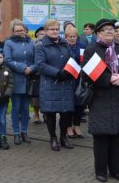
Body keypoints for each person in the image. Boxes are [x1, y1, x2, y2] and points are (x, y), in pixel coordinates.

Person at [83, 19, 119, 182]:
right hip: (100, 99)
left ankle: (116, 170)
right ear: (98, 33)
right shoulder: (92, 50)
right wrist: (109, 79)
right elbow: (87, 74)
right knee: (101, 137)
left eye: (111, 29)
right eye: (105, 29)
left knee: (117, 136)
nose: (109, 32)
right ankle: (101, 171)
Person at [36, 19, 75, 151]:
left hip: (66, 83)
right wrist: (57, 73)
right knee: (51, 113)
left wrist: (70, 71)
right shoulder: (41, 46)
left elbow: (72, 59)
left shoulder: (65, 44)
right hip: (50, 83)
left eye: (57, 29)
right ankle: (53, 138)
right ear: (46, 31)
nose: (55, 31)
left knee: (66, 112)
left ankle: (63, 137)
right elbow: (40, 65)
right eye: (52, 29)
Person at [4, 19, 37, 145]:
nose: (20, 32)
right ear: (13, 31)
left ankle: (24, 132)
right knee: (16, 108)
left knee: (25, 109)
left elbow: (36, 61)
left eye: (21, 30)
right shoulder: (9, 43)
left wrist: (31, 69)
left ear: (25, 30)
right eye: (17, 31)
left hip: (28, 81)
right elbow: (8, 60)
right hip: (15, 81)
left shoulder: (31, 43)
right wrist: (23, 68)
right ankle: (16, 133)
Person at [64, 27, 86, 138]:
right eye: (70, 37)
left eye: (74, 36)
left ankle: (77, 125)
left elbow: (86, 59)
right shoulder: (63, 46)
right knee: (69, 103)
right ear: (66, 37)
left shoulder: (82, 46)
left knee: (79, 103)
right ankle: (68, 126)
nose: (72, 38)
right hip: (68, 78)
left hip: (80, 78)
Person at [31, 27, 45, 124]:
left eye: (44, 33)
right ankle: (36, 114)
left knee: (45, 95)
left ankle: (46, 114)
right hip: (35, 73)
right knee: (35, 96)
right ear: (36, 34)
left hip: (46, 73)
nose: (42, 35)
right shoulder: (32, 44)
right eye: (40, 33)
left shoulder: (48, 44)